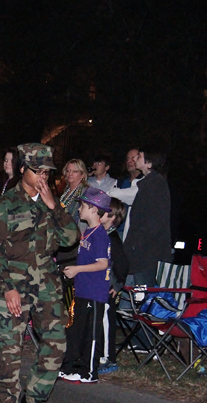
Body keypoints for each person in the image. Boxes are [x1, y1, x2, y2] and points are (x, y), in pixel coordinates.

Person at [0, 143, 79, 403]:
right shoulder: (5, 204)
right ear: (23, 170)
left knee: (56, 341)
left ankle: (34, 399)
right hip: (13, 283)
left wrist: (54, 206)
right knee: (11, 349)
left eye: (47, 172)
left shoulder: (51, 202)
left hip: (46, 284)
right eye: (37, 170)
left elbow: (70, 238)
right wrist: (6, 287)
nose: (42, 176)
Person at [60, 188, 112, 384]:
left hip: (95, 294)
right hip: (82, 292)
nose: (79, 209)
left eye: (82, 205)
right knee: (78, 330)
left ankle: (89, 372)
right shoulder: (87, 232)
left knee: (91, 334)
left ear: (92, 208)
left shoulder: (99, 235)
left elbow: (103, 263)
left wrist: (78, 270)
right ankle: (72, 366)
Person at [122, 147, 171, 286]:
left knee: (145, 294)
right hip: (142, 252)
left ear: (149, 163)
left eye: (139, 156)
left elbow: (154, 221)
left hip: (147, 254)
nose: (135, 159)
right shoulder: (149, 183)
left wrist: (136, 243)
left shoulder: (155, 184)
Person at [98, 198, 128, 375]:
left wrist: (117, 285)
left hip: (108, 288)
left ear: (112, 217)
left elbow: (123, 264)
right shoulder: (100, 235)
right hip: (98, 287)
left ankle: (108, 358)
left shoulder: (112, 239)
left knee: (106, 322)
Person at [59, 158, 89, 231]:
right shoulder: (67, 190)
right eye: (68, 171)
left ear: (82, 175)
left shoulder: (85, 193)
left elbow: (84, 221)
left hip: (75, 234)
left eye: (75, 171)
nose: (70, 174)